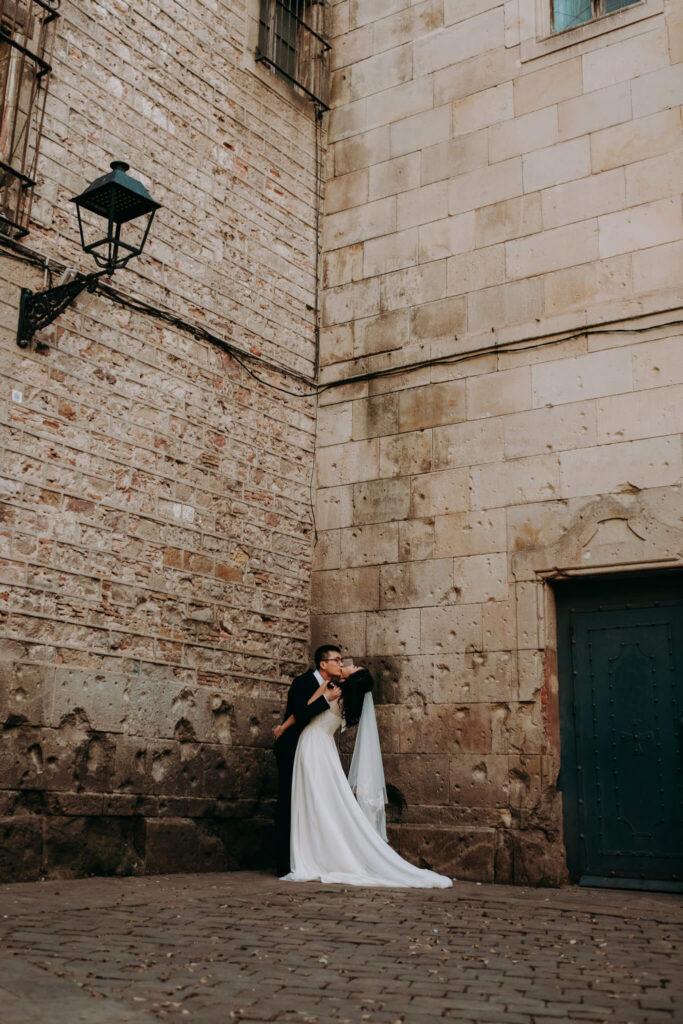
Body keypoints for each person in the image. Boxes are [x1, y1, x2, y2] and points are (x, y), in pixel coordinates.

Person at [274, 655, 452, 889]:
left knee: (312, 799)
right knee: (321, 799)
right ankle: (319, 850)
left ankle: (312, 853)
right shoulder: (350, 701)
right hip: (324, 747)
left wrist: (286, 724)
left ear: (354, 676)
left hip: (312, 745)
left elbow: (304, 711)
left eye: (353, 666)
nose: (346, 664)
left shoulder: (331, 689)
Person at [273, 644, 352, 877]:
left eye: (341, 660)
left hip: (312, 753)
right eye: (336, 660)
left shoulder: (335, 686)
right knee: (288, 804)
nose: (340, 663)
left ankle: (311, 856)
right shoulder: (303, 682)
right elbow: (299, 713)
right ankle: (284, 864)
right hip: (291, 749)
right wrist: (325, 699)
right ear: (323, 664)